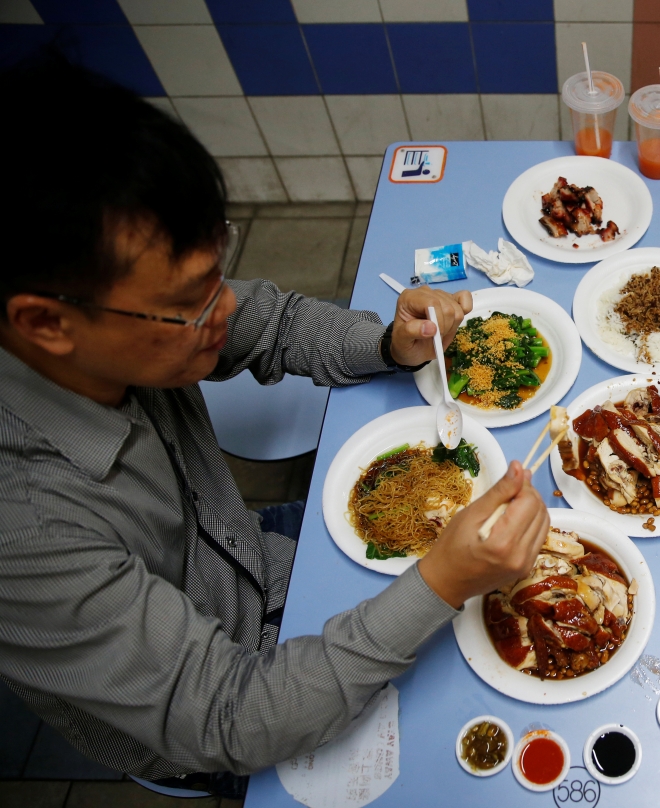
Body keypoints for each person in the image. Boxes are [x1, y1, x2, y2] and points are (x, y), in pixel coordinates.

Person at [0, 57, 550, 796]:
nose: (223, 312)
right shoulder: (24, 530)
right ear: (45, 323)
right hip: (233, 712)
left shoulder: (128, 319)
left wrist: (390, 343)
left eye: (216, 274)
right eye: (191, 301)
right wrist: (444, 580)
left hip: (260, 554)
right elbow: (232, 715)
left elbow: (272, 322)